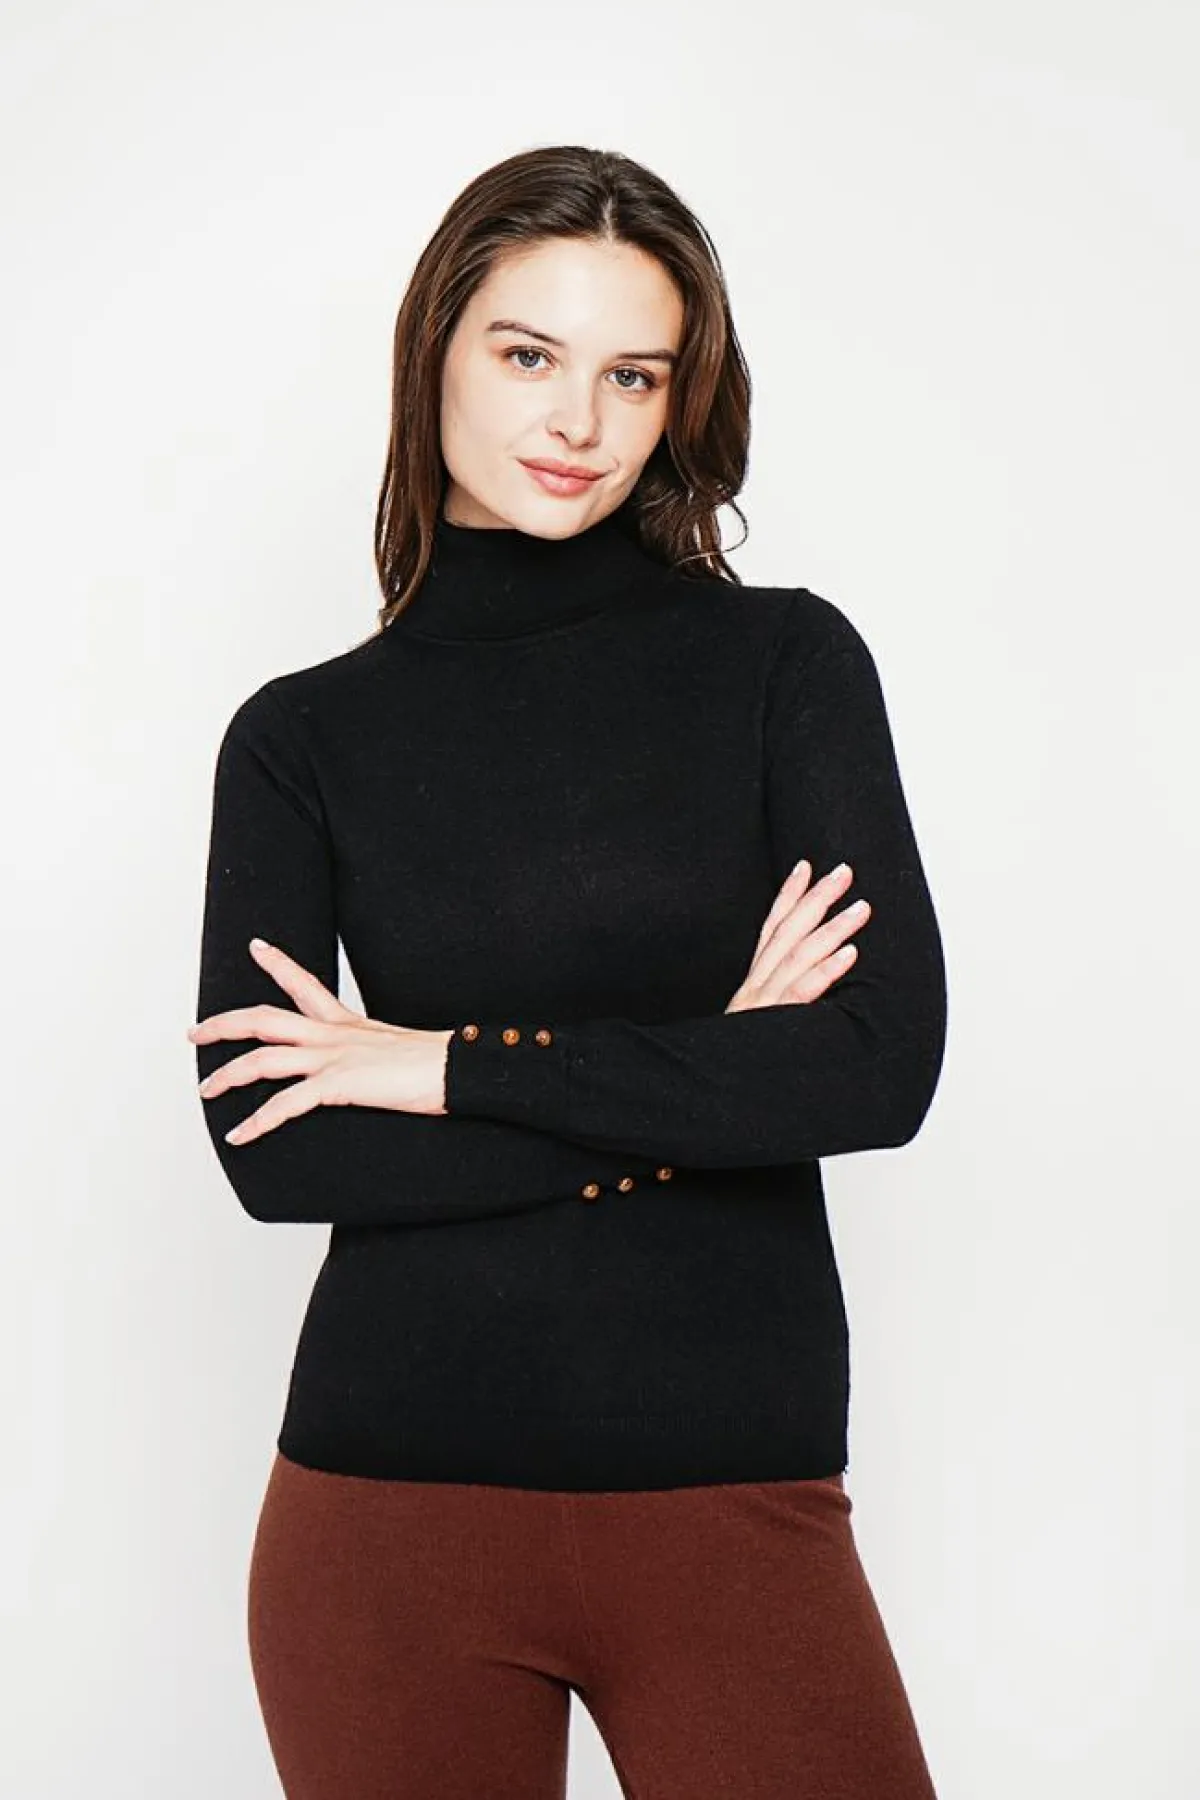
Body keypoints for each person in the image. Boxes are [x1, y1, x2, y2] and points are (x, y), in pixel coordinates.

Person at [189, 144, 948, 1800]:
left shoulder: (784, 665)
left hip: (732, 1488)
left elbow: (876, 1067)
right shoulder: (302, 739)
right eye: (529, 354)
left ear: (681, 399)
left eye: (634, 374)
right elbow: (284, 1155)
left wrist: (442, 1065)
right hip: (382, 1513)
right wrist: (711, 1071)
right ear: (437, 353)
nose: (579, 421)